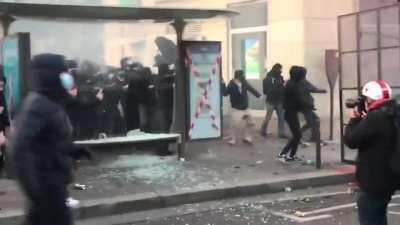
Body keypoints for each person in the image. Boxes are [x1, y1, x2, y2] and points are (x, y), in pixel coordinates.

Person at [9, 54, 92, 225]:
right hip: (45, 187)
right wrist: (33, 188)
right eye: (64, 72)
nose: (68, 76)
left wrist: (74, 150)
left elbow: (50, 141)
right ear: (51, 75)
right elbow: (19, 149)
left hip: (52, 185)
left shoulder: (49, 101)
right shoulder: (38, 105)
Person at [344, 80, 399, 225]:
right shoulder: (393, 112)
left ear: (370, 99)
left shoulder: (375, 117)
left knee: (370, 218)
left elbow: (351, 140)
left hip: (374, 180)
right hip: (391, 176)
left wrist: (353, 120)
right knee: (379, 216)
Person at [278, 66, 307, 162]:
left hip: (291, 112)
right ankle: (284, 154)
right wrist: (304, 106)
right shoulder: (292, 85)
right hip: (290, 113)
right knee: (297, 135)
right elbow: (297, 100)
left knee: (297, 135)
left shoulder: (291, 83)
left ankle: (289, 155)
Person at [226, 70, 261, 145]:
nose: (244, 76)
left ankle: (247, 137)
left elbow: (250, 88)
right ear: (238, 76)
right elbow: (226, 93)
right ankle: (232, 139)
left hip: (245, 108)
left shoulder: (244, 82)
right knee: (234, 125)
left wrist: (258, 95)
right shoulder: (231, 84)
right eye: (243, 75)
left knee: (251, 123)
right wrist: (222, 84)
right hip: (236, 109)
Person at [260, 63, 287, 139]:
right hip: (272, 100)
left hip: (278, 100)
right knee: (269, 117)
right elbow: (267, 90)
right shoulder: (269, 78)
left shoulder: (279, 77)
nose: (281, 70)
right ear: (277, 69)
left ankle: (281, 133)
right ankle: (263, 131)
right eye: (280, 69)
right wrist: (280, 88)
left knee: (281, 117)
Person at [298, 78, 327, 145]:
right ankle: (314, 138)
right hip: (305, 106)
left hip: (304, 105)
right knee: (313, 121)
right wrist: (321, 91)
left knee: (313, 121)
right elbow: (311, 88)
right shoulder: (302, 81)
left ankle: (314, 138)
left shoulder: (296, 81)